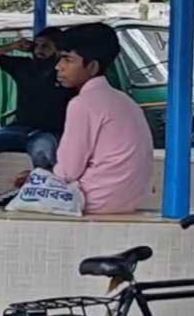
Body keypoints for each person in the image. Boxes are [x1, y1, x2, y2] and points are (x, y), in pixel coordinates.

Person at [50, 23, 155, 214]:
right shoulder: (125, 101)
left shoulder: (82, 104)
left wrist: (38, 179)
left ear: (92, 67)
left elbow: (67, 172)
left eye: (67, 59)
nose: (58, 67)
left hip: (93, 200)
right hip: (129, 201)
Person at [0, 27, 71, 204]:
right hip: (18, 128)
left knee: (43, 158)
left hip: (49, 132)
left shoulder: (65, 71)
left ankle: (40, 203)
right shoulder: (23, 65)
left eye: (46, 46)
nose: (40, 49)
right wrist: (13, 45)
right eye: (37, 45)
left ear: (58, 49)